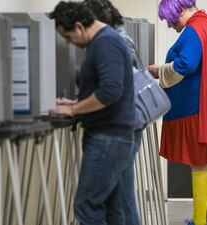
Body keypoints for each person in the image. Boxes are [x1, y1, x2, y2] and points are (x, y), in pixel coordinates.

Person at [148, 1, 207, 225]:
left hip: (193, 109)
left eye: (171, 19)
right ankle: (204, 219)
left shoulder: (194, 29)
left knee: (200, 163)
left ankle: (198, 222)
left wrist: (160, 70)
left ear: (180, 10)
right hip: (205, 107)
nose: (171, 25)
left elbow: (186, 65)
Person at [49, 2, 136, 224]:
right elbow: (104, 88)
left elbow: (110, 91)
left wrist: (73, 109)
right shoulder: (104, 41)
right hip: (112, 136)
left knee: (86, 205)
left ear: (79, 26)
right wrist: (76, 101)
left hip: (108, 138)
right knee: (112, 208)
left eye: (67, 36)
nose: (69, 42)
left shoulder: (105, 43)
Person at [81, 0, 143, 224]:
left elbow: (113, 88)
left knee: (124, 200)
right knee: (119, 200)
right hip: (128, 125)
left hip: (122, 127)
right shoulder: (121, 40)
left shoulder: (114, 43)